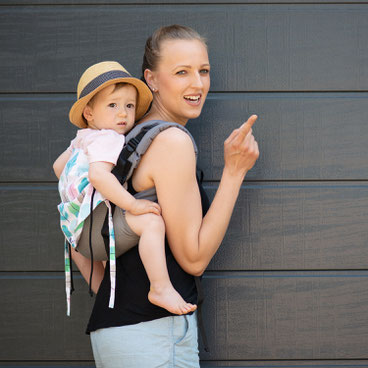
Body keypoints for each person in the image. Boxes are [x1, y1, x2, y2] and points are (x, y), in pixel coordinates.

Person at [59, 25, 259, 367]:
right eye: (181, 72)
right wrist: (235, 171)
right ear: (151, 79)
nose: (197, 84)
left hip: (120, 331)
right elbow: (193, 258)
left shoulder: (122, 136)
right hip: (151, 333)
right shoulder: (171, 142)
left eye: (203, 71)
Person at [53, 61, 197, 316]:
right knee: (152, 222)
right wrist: (133, 204)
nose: (123, 114)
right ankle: (160, 287)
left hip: (78, 238)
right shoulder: (109, 139)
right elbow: (99, 176)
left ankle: (103, 291)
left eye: (129, 106)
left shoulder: (82, 138)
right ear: (89, 112)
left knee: (79, 246)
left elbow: (58, 167)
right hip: (98, 232)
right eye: (113, 105)